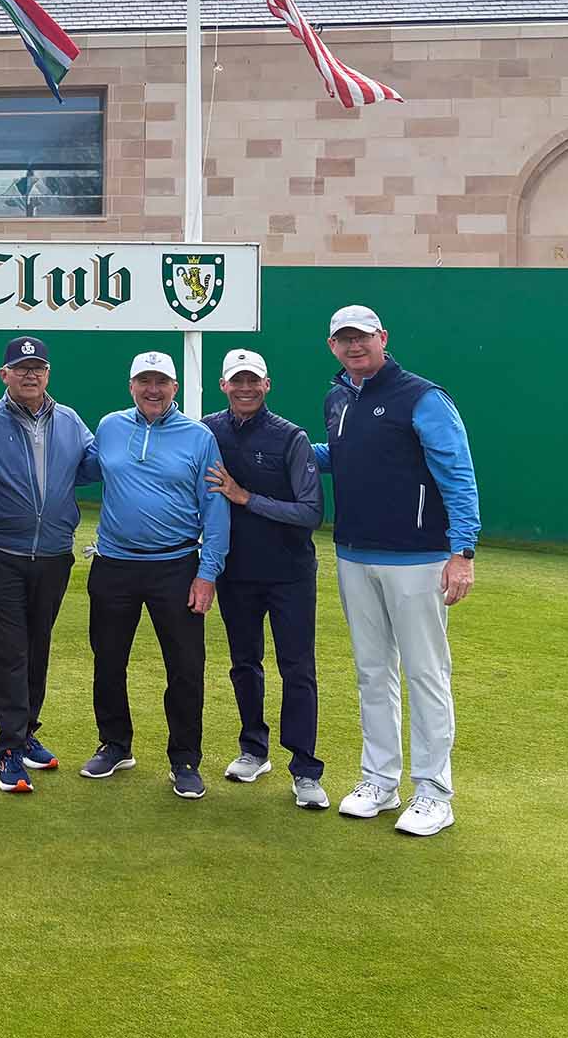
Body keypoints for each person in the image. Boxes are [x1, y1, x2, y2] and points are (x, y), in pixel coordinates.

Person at [313, 305, 480, 837]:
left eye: (362, 337)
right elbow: (342, 456)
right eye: (344, 339)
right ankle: (379, 781)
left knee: (426, 673)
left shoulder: (422, 397)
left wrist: (463, 552)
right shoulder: (337, 397)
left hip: (420, 557)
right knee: (371, 671)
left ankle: (434, 792)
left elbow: (457, 471)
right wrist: (276, 448)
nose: (354, 346)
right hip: (354, 554)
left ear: (382, 338)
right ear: (332, 345)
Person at [83, 351, 231, 800]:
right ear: (131, 386)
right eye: (144, 381)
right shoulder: (110, 426)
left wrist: (207, 574)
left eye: (161, 382)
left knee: (185, 668)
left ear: (175, 388)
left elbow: (216, 506)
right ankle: (114, 744)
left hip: (177, 565)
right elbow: (81, 470)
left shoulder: (199, 436)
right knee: (108, 661)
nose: (153, 389)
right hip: (114, 564)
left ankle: (184, 759)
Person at [0, 336, 100, 794]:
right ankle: (8, 748)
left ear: (48, 374)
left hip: (53, 553)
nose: (30, 374)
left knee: (38, 644)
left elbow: (92, 466)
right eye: (21, 367)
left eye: (38, 367)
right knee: (10, 649)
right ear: (4, 375)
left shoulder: (69, 421)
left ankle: (26, 733)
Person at [203, 348, 328, 810]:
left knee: (297, 668)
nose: (245, 388)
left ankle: (306, 768)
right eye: (237, 381)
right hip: (236, 573)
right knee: (244, 663)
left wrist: (245, 497)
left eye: (253, 380)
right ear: (224, 385)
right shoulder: (208, 431)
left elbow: (310, 512)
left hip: (290, 573)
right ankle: (254, 749)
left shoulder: (290, 438)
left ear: (267, 385)